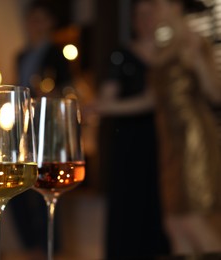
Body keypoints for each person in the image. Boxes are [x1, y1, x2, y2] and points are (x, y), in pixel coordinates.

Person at [93, 0, 171, 258]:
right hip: (130, 141)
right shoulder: (122, 55)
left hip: (165, 141)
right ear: (134, 20)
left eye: (151, 14)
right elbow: (106, 102)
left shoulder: (171, 55)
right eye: (140, 15)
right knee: (130, 204)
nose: (146, 20)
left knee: (161, 205)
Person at [150, 0, 221, 254]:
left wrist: (198, 62)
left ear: (175, 6)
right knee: (173, 223)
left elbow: (215, 93)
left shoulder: (195, 40)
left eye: (156, 5)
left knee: (194, 220)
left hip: (194, 137)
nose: (151, 10)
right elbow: (152, 100)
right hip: (169, 138)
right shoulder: (162, 46)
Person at [8, 1, 73, 258]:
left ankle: (48, 248)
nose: (35, 24)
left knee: (46, 185)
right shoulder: (21, 55)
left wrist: (47, 93)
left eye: (41, 19)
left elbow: (68, 92)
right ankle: (31, 246)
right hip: (22, 125)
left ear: (50, 23)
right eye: (32, 19)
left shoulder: (57, 54)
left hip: (47, 125)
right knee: (17, 185)